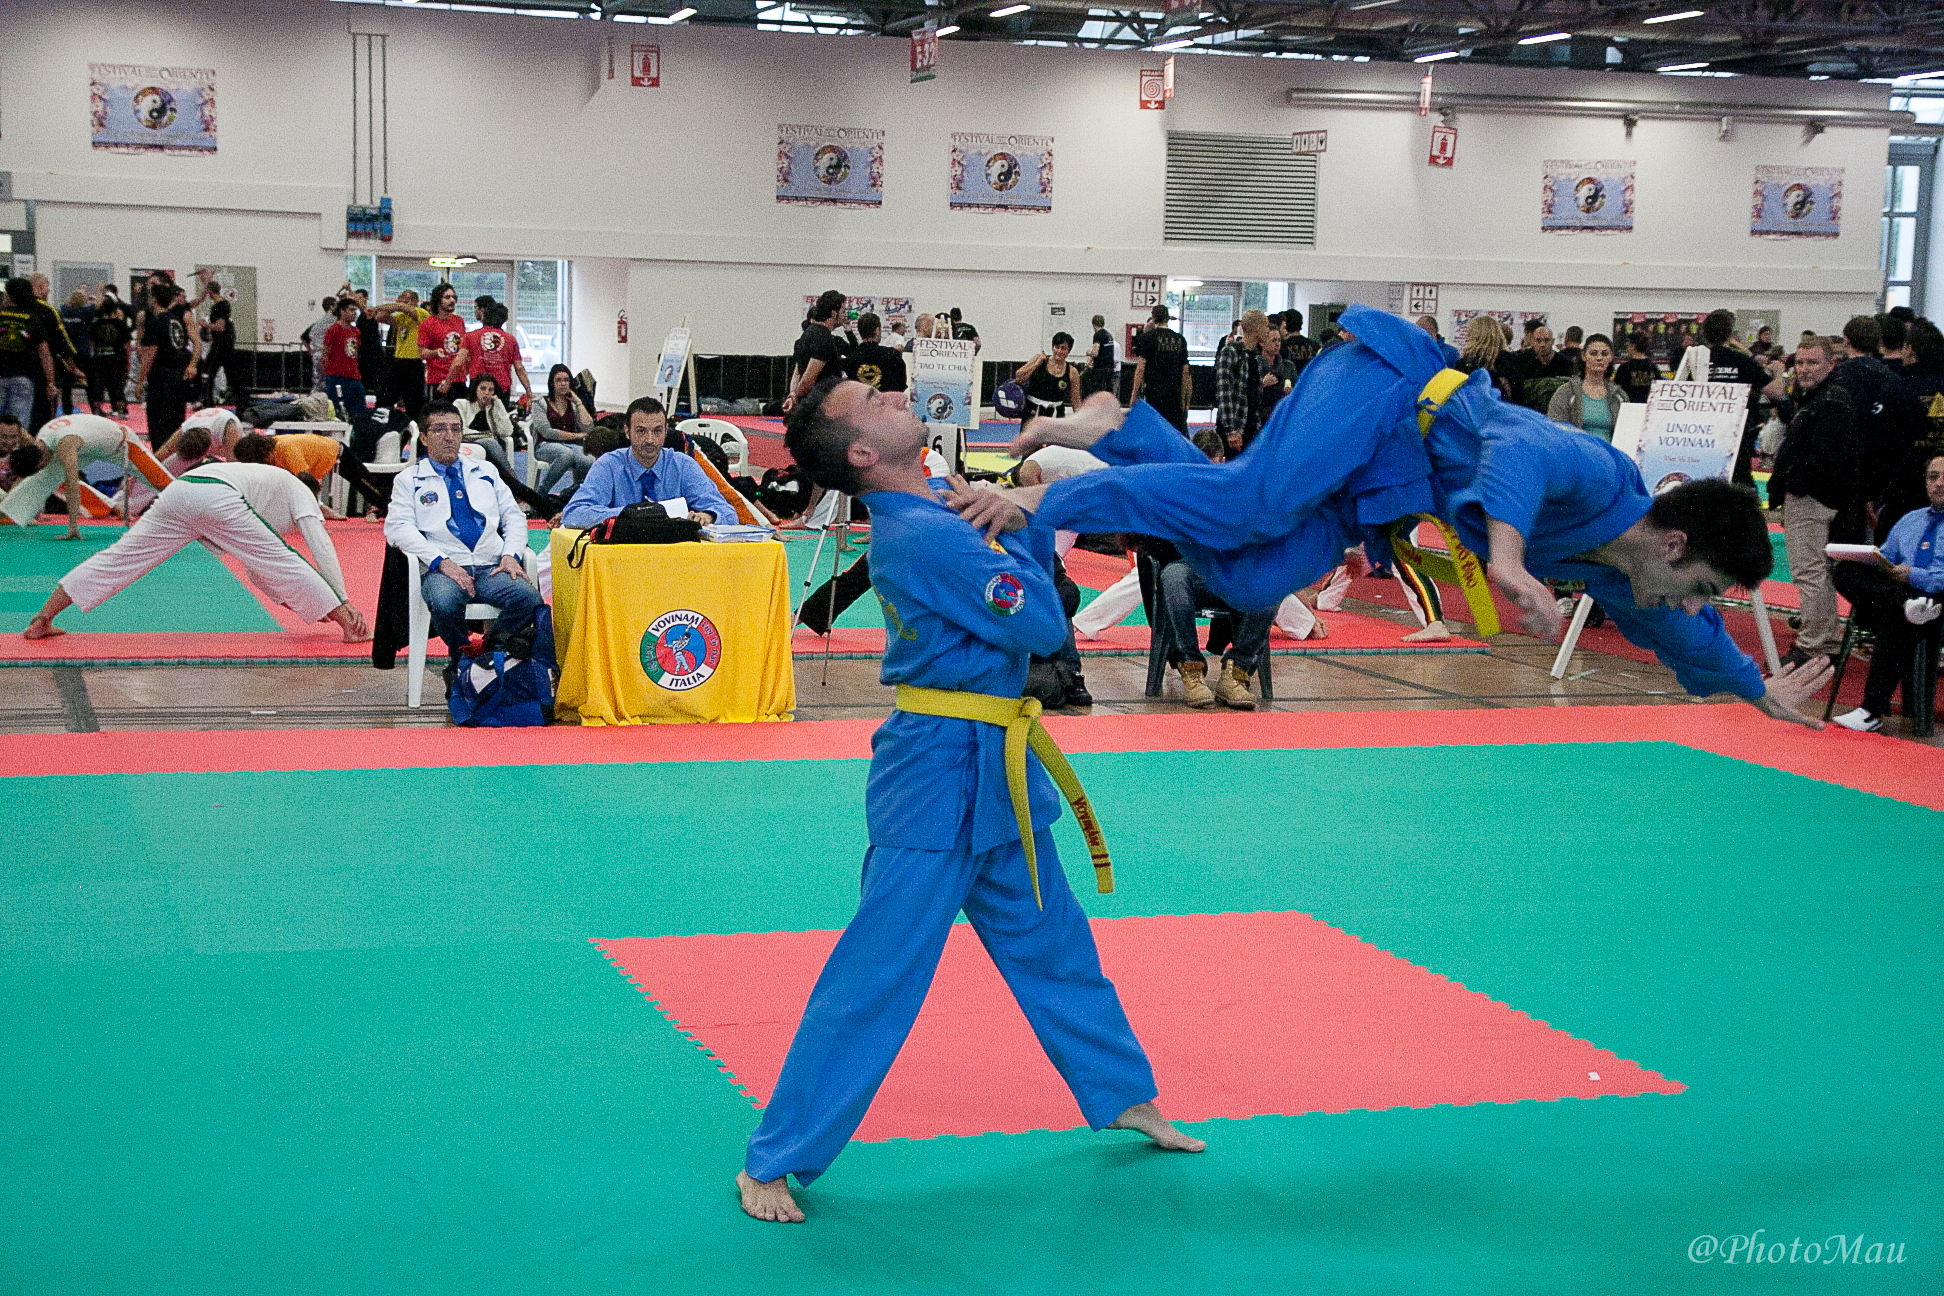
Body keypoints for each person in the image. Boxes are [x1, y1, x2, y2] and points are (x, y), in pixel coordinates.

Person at [737, 376, 1203, 1225]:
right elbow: (1038, 628)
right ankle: (776, 1157)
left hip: (1000, 765)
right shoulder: (919, 534)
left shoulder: (950, 509)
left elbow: (1031, 602)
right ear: (863, 454)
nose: (888, 391)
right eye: (866, 398)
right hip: (936, 774)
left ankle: (1121, 1094)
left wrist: (1013, 514)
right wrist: (1019, 525)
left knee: (1054, 944)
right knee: (878, 973)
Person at [950, 306, 1832, 730]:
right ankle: (1043, 492)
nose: (1693, 605)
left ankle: (1123, 432)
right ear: (1673, 542)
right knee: (1252, 499)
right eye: (1700, 588)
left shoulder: (1632, 579)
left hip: (1375, 486)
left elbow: (1695, 643)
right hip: (1382, 389)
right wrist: (1512, 560)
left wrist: (1761, 693)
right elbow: (1514, 458)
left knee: (1247, 573)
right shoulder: (1604, 480)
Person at [21, 456, 370, 644]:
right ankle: (351, 625)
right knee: (284, 560)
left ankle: (43, 618)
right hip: (214, 495)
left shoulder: (267, 488)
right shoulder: (299, 491)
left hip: (180, 491)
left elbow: (256, 571)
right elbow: (317, 546)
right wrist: (341, 598)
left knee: (119, 559)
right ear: (316, 490)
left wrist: (301, 604)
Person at [383, 402, 541, 672]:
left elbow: (514, 516)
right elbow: (397, 528)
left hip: (491, 566)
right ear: (423, 437)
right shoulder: (409, 479)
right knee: (444, 603)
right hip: (443, 569)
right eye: (439, 429)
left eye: (456, 429)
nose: (449, 436)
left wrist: (511, 555)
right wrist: (441, 562)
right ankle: (463, 662)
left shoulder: (486, 471)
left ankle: (478, 658)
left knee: (528, 599)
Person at [1830, 452, 1944, 732]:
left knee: (1898, 616)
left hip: (1938, 602)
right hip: (1898, 595)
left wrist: (1914, 575)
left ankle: (1871, 710)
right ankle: (1906, 604)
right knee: (1845, 571)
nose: (1939, 483)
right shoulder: (1910, 520)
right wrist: (1873, 560)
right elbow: (1886, 557)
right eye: (1933, 476)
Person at [1769, 335, 1860, 669]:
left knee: (1809, 572)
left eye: (1812, 363)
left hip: (1812, 498)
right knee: (1814, 572)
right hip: (1812, 495)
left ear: (1830, 364)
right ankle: (1822, 640)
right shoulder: (1820, 397)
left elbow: (1829, 456)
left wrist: (1796, 485)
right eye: (1801, 363)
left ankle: (1813, 645)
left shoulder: (1831, 401)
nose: (1804, 370)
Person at [560, 396, 730, 529]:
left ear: (665, 432)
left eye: (657, 431)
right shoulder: (609, 465)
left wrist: (709, 516)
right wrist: (631, 514)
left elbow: (728, 513)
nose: (650, 439)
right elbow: (574, 513)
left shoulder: (683, 465)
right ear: (627, 432)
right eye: (641, 431)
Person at [1, 412, 171, 539]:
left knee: (165, 484)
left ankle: (194, 506)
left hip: (121, 445)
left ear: (39, 462)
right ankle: (7, 512)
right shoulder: (40, 443)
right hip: (87, 447)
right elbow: (33, 472)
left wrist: (73, 526)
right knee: (46, 476)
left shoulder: (65, 444)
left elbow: (73, 484)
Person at [138, 281, 198, 449]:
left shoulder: (156, 323)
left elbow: (149, 356)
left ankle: (160, 464)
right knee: (176, 424)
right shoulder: (176, 321)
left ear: (154, 300)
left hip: (161, 379)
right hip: (178, 377)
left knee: (159, 427)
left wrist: (140, 380)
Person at [320, 297, 375, 458]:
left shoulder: (355, 331)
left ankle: (357, 445)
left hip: (354, 377)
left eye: (355, 310)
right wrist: (330, 374)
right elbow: (325, 354)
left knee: (359, 412)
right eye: (351, 310)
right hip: (337, 376)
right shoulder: (333, 330)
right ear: (342, 311)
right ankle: (335, 446)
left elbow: (354, 353)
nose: (354, 313)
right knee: (338, 413)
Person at [1547, 333, 1626, 441]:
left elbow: (1627, 436)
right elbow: (1555, 431)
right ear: (1583, 356)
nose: (1599, 358)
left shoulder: (1620, 396)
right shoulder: (1565, 393)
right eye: (1593, 353)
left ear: (1611, 357)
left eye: (1605, 354)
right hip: (1576, 455)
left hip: (1610, 455)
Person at [532, 363, 596, 495]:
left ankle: (577, 494)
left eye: (566, 380)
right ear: (552, 383)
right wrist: (577, 436)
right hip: (545, 445)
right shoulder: (539, 403)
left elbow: (589, 427)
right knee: (566, 455)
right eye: (559, 380)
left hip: (570, 445)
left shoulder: (572, 405)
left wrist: (578, 402)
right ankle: (540, 494)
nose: (563, 384)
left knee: (588, 459)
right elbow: (547, 432)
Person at [0, 278, 56, 429]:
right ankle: (16, 450)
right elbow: (45, 353)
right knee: (19, 424)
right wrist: (50, 382)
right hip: (23, 376)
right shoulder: (32, 319)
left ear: (9, 295)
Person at [451, 301, 530, 406]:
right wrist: (529, 391)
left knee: (476, 419)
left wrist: (447, 383)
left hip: (478, 387)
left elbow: (458, 362)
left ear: (485, 316)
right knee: (499, 420)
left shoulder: (471, 336)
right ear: (504, 320)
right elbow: (519, 368)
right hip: (502, 387)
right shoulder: (510, 340)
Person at [370, 290, 429, 422]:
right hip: (399, 361)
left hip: (414, 362)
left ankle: (414, 429)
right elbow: (380, 317)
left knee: (413, 402)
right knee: (384, 398)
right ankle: (381, 423)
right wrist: (386, 309)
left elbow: (400, 307)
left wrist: (380, 307)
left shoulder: (421, 313)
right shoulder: (400, 317)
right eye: (400, 298)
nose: (400, 301)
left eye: (405, 298)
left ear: (414, 301)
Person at [1129, 305, 1189, 434]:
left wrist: (1134, 395)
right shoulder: (1180, 339)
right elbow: (1185, 373)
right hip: (1174, 394)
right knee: (1173, 431)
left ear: (1153, 317)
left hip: (1154, 392)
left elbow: (1140, 368)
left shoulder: (1148, 338)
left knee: (1154, 431)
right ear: (1167, 318)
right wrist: (1184, 399)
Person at [785, 290, 846, 413]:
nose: (845, 315)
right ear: (834, 313)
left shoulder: (809, 332)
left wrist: (792, 394)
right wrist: (795, 397)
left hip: (810, 400)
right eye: (843, 311)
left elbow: (797, 372)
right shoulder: (822, 337)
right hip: (819, 403)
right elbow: (809, 376)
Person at [420, 283, 469, 402]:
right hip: (438, 380)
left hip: (459, 378)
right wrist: (435, 352)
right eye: (447, 297)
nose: (452, 300)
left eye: (453, 297)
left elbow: (463, 347)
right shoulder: (428, 323)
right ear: (438, 300)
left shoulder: (459, 321)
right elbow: (422, 353)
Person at [1016, 332, 1078, 424]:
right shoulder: (1038, 359)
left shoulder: (1072, 372)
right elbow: (1018, 377)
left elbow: (1075, 400)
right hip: (1032, 413)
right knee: (1029, 438)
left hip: (1056, 416)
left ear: (1068, 351)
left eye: (1063, 348)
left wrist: (1080, 421)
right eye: (1057, 347)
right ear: (1053, 347)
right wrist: (1036, 364)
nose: (1059, 351)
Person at [89, 294, 133, 419]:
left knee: (99, 385)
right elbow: (127, 344)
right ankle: (121, 410)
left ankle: (97, 409)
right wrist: (128, 360)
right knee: (117, 385)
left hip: (100, 358)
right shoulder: (120, 324)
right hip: (117, 358)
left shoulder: (96, 324)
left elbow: (92, 344)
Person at [843, 312, 907, 393]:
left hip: (859, 404)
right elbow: (901, 387)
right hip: (886, 404)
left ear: (860, 331)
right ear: (877, 330)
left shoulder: (851, 359)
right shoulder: (893, 355)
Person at [199, 297, 245, 409]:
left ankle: (208, 401)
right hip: (225, 344)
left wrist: (206, 326)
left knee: (210, 372)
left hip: (221, 345)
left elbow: (220, 328)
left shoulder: (220, 307)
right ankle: (241, 401)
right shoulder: (224, 308)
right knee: (230, 374)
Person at [1613, 332, 1659, 406]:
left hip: (1629, 408)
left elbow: (1615, 390)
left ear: (1633, 346)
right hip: (1648, 408)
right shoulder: (1653, 368)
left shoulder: (1624, 368)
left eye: (1627, 345)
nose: (1627, 348)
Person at [1082, 313, 1117, 399]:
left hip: (1100, 369)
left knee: (1098, 392)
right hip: (1109, 368)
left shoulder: (1098, 335)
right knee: (1108, 391)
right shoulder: (1109, 335)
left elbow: (1095, 352)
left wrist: (1088, 352)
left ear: (1093, 324)